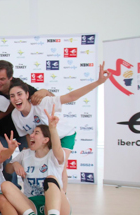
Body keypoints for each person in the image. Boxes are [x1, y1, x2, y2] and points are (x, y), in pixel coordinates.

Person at [9, 62, 110, 192]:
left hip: (64, 135)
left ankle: (62, 197)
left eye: (19, 94)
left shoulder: (41, 103)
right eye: (12, 96)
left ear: (27, 95)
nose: (16, 98)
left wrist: (98, 82)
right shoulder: (15, 115)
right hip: (47, 139)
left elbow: (70, 96)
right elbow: (29, 135)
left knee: (59, 164)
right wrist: (31, 151)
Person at [1, 106, 71, 215]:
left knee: (51, 179)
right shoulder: (25, 154)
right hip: (31, 207)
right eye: (32, 132)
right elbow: (7, 171)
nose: (31, 135)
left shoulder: (54, 155)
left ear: (46, 139)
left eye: (36, 133)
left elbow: (58, 148)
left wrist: (52, 128)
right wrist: (14, 163)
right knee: (6, 185)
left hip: (55, 208)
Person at [0, 60, 53, 186]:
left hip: (24, 130)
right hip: (2, 132)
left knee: (31, 157)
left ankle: (36, 189)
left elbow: (51, 99)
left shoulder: (19, 85)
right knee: (5, 161)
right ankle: (12, 189)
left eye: (2, 79)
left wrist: (44, 91)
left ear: (11, 77)